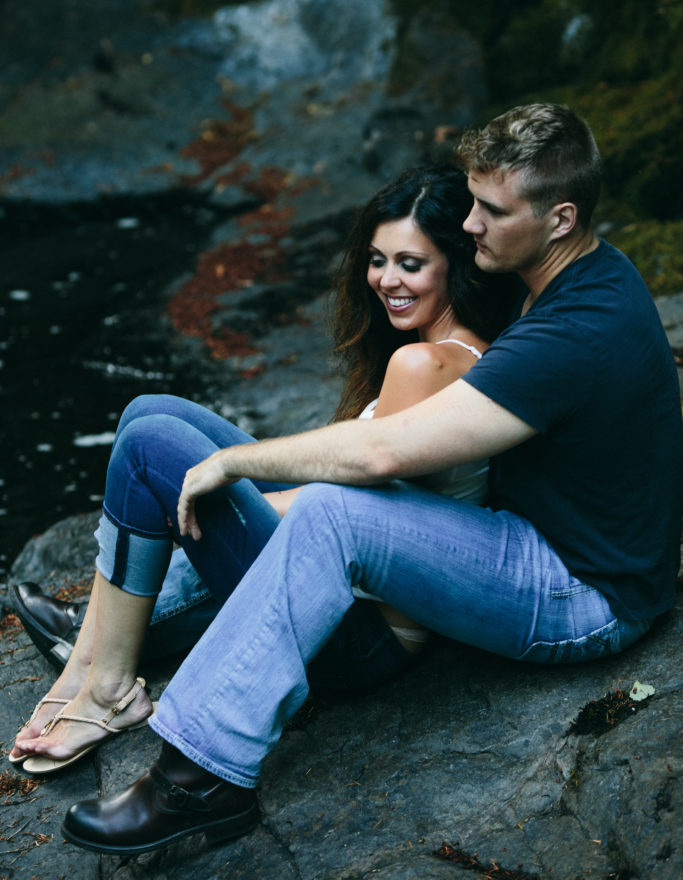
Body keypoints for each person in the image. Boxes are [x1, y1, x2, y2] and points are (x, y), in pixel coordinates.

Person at [25, 103, 683, 859]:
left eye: (491, 211)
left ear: (560, 217)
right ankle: (110, 649)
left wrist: (235, 463)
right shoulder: (576, 274)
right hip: (534, 538)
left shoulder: (573, 329)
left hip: (583, 593)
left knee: (333, 514)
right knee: (161, 416)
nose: (468, 226)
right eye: (470, 203)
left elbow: (380, 456)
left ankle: (198, 779)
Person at [10, 165, 510, 774]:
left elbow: (358, 508)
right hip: (341, 586)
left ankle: (107, 687)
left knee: (155, 451)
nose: (386, 280)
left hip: (359, 632)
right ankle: (88, 660)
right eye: (377, 260)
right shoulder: (461, 348)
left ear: (455, 262)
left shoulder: (423, 364)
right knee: (151, 412)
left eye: (411, 263)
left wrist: (208, 503)